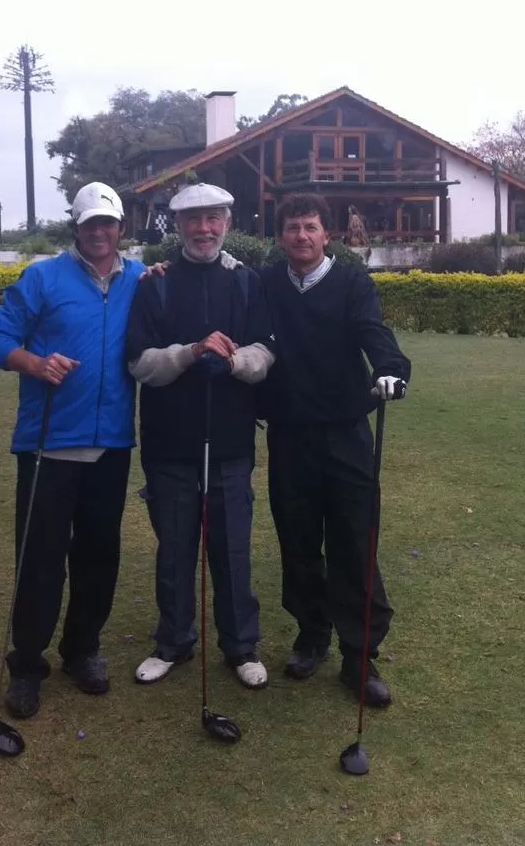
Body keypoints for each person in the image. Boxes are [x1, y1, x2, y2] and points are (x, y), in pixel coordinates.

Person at [0, 182, 145, 720]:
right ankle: (27, 664)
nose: (99, 232)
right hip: (48, 445)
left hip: (111, 444)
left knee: (99, 556)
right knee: (40, 562)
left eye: (108, 223)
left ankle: (82, 651)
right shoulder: (42, 277)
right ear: (76, 227)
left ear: (122, 227)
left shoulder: (141, 278)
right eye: (90, 224)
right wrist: (33, 363)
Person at [258, 193, 411, 708]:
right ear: (280, 236)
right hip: (288, 435)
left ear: (327, 235)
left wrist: (391, 369)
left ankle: (358, 655)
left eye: (310, 227)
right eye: (292, 228)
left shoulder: (350, 282)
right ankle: (311, 634)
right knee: (298, 543)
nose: (301, 236)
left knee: (353, 542)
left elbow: (374, 333)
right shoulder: (265, 282)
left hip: (346, 433)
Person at [126, 183, 275, 690]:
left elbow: (266, 353)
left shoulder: (247, 283)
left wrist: (232, 362)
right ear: (178, 225)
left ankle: (240, 646)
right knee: (175, 550)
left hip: (230, 443)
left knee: (232, 550)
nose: (204, 228)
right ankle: (173, 642)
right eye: (193, 219)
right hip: (170, 445)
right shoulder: (156, 285)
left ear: (227, 222)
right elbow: (140, 363)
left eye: (213, 218)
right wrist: (190, 353)